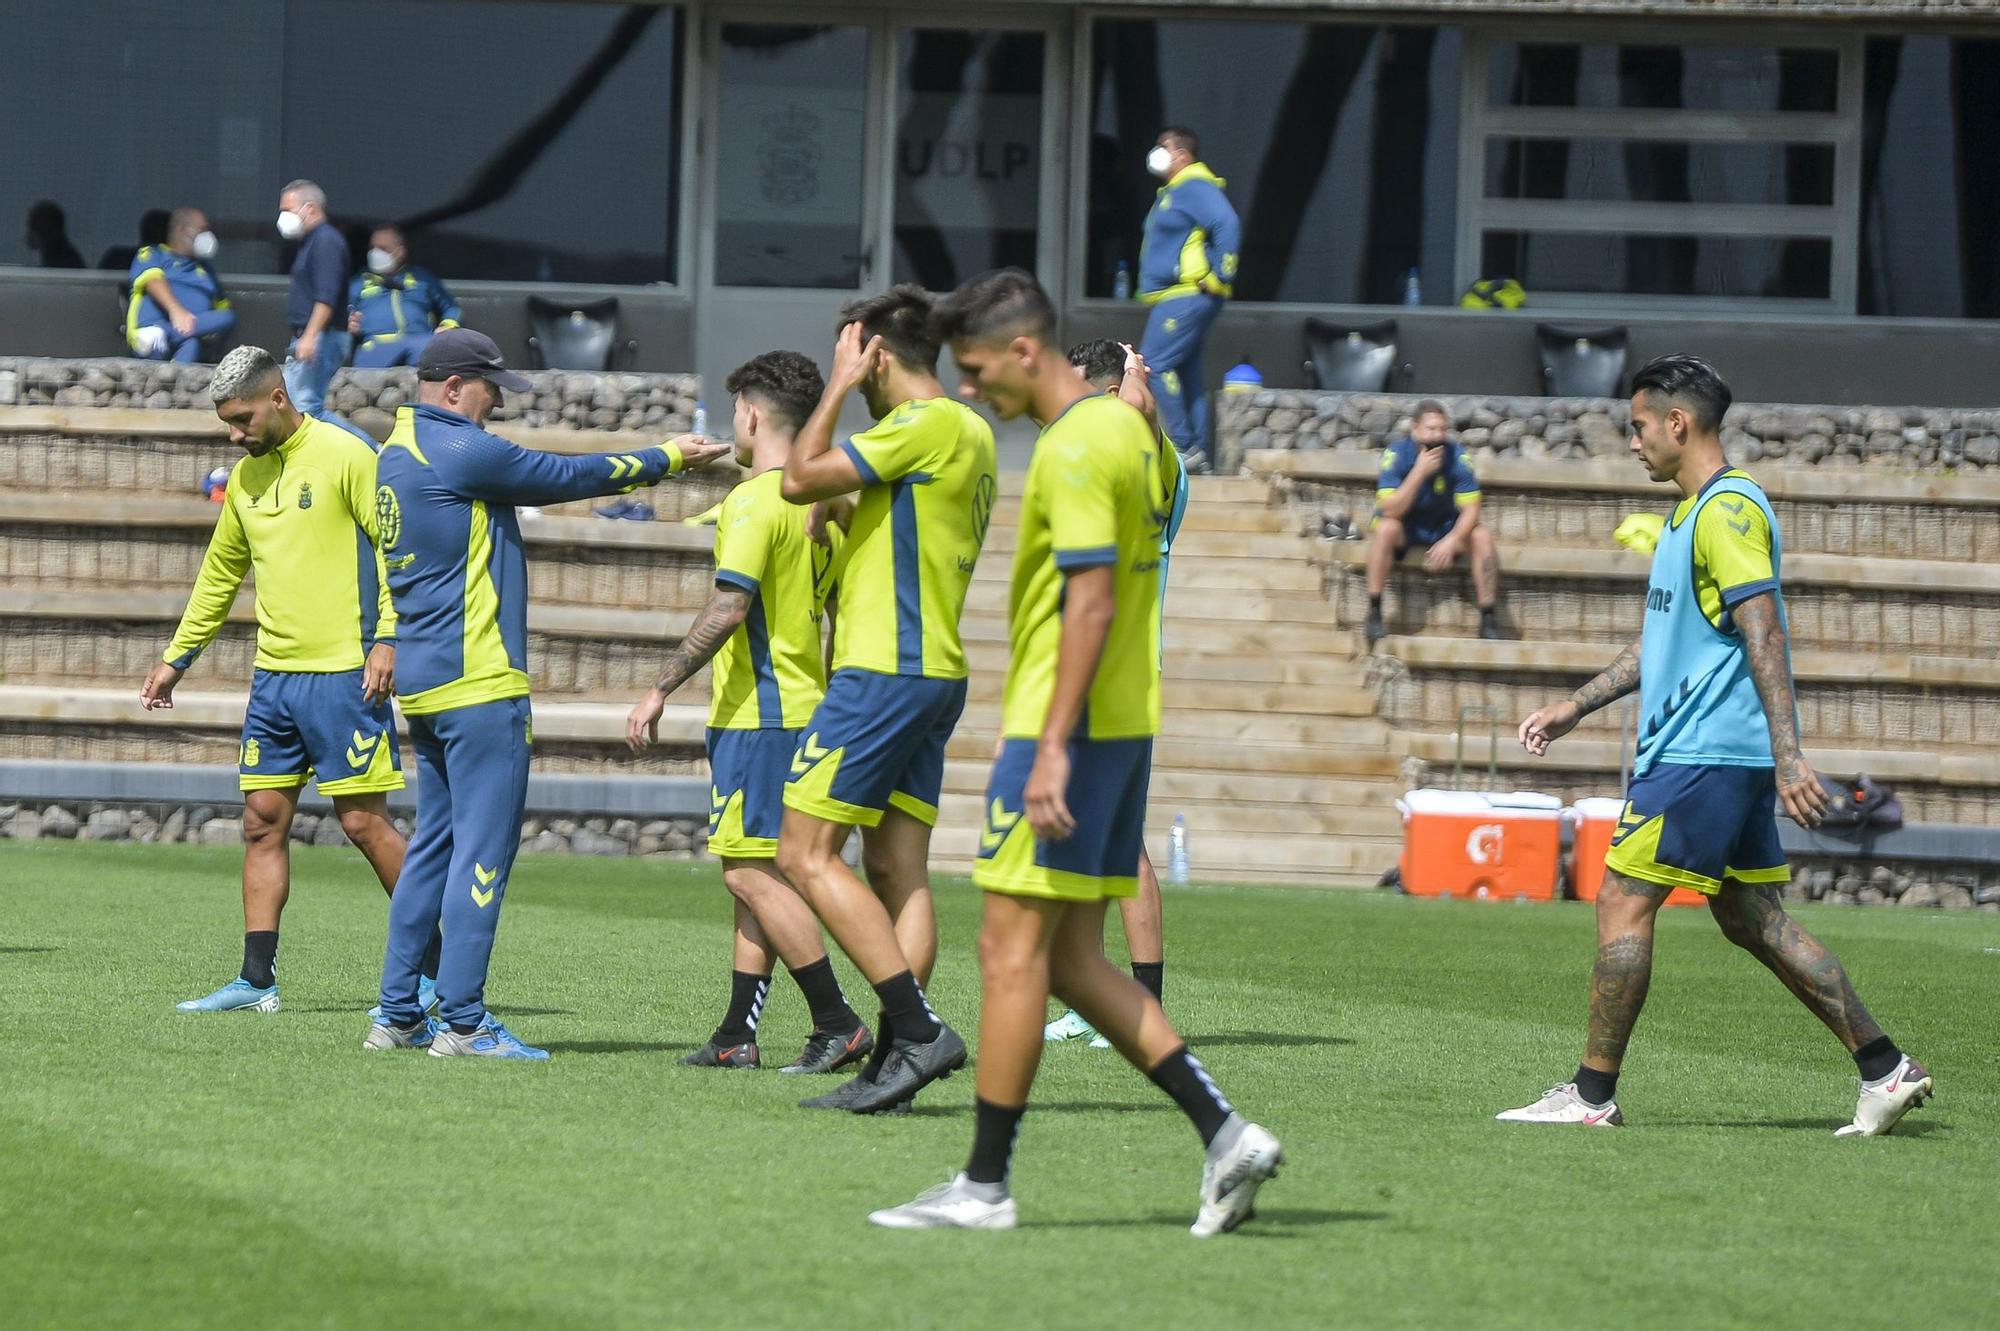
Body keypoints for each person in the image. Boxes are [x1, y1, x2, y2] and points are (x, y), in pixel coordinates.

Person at [869, 268, 1281, 1235]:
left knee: (1007, 950)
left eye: (976, 369)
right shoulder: (1137, 439)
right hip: (1123, 721)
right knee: (1064, 960)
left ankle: (982, 1187)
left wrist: (1049, 746)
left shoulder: (1075, 445)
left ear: (1023, 350)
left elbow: (1090, 598)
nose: (971, 390)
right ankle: (1224, 1132)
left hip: (1071, 725)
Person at [1502, 354, 1931, 1137]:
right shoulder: (1686, 516)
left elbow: (1762, 627)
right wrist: (1575, 705)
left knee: (1622, 900)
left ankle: (1592, 1095)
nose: (1632, 442)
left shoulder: (1730, 509)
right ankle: (1885, 1065)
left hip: (1700, 756)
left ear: (1677, 422)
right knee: (1749, 915)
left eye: (1638, 426)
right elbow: (1663, 648)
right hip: (1715, 756)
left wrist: (1791, 754)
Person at [367, 328, 728, 1059]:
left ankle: (397, 1011)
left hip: (429, 684)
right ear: (451, 387)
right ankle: (464, 1022)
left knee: (432, 845)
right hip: (481, 683)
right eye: (490, 386)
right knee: (481, 852)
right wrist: (667, 457)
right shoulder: (458, 448)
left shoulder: (393, 453)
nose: (498, 399)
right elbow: (562, 476)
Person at [140, 346, 437, 1014]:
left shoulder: (346, 455)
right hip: (274, 681)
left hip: (345, 675)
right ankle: (255, 980)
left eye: (241, 418)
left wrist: (388, 637)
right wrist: (176, 658)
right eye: (225, 422)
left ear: (277, 398)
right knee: (261, 823)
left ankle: (436, 971)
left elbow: (395, 550)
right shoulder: (243, 482)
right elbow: (219, 575)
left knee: (365, 824)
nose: (233, 434)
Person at [774, 285, 998, 1115]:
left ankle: (914, 1028)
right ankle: (902, 1064)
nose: (849, 371)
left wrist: (834, 386)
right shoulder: (970, 430)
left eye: (851, 354)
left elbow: (798, 478)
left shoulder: (921, 423)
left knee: (803, 852)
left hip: (884, 670)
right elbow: (862, 505)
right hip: (934, 669)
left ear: (873, 353)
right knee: (897, 867)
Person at [625, 350, 872, 1075]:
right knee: (759, 873)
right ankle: (737, 1033)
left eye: (737, 409)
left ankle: (838, 1021)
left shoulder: (754, 500)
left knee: (746, 873)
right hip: (803, 706)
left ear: (754, 414)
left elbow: (730, 607)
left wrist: (658, 687)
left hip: (759, 718)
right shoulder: (829, 503)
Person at [1042, 337, 1184, 1050]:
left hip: (1120, 670)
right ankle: (1093, 993)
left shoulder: (1143, 448)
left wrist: (1133, 376)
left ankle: (1144, 1007)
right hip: (1085, 668)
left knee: (1123, 843)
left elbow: (1141, 415)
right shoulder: (1095, 445)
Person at [1136, 127, 1239, 473]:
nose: (1157, 152)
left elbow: (1228, 223)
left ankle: (1183, 445)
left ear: (1182, 154)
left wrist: (1221, 275)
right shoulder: (1175, 191)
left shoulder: (1194, 186)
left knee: (1154, 363)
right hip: (1176, 295)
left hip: (1186, 295)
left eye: (1163, 146)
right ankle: (1198, 456)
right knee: (1187, 374)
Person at [1364, 400, 1502, 646]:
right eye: (1431, 429)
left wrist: (1453, 541)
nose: (1437, 435)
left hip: (1443, 526)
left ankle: (1488, 617)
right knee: (1385, 529)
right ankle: (1374, 611)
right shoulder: (1396, 455)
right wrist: (1419, 472)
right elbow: (1391, 509)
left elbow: (1472, 509)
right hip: (1407, 527)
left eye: (1442, 429)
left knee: (1481, 536)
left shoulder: (1457, 456)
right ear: (1415, 429)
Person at [276, 180, 352, 416]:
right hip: (314, 336)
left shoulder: (326, 241)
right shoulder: (311, 242)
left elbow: (326, 296)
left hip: (322, 337)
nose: (282, 217)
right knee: (300, 409)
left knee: (308, 411)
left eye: (287, 210)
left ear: (310, 208)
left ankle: (374, 450)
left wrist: (310, 336)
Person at [125, 208, 237, 362]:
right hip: (150, 330)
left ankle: (167, 335)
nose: (208, 236)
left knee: (225, 319)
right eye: (203, 229)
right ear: (184, 230)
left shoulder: (205, 268)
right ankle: (159, 337)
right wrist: (176, 311)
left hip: (186, 334)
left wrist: (201, 328)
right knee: (187, 342)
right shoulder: (153, 253)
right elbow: (153, 281)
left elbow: (222, 307)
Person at [346, 226, 461, 368]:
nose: (375, 253)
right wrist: (348, 323)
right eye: (372, 248)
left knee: (432, 368)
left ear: (400, 252)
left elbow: (450, 308)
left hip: (419, 343)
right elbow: (342, 313)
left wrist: (447, 326)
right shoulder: (358, 282)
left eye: (383, 248)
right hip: (376, 347)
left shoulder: (422, 278)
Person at [23, 199, 84, 268]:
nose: (30, 234)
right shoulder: (52, 257)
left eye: (36, 227)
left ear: (52, 229)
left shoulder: (65, 264)